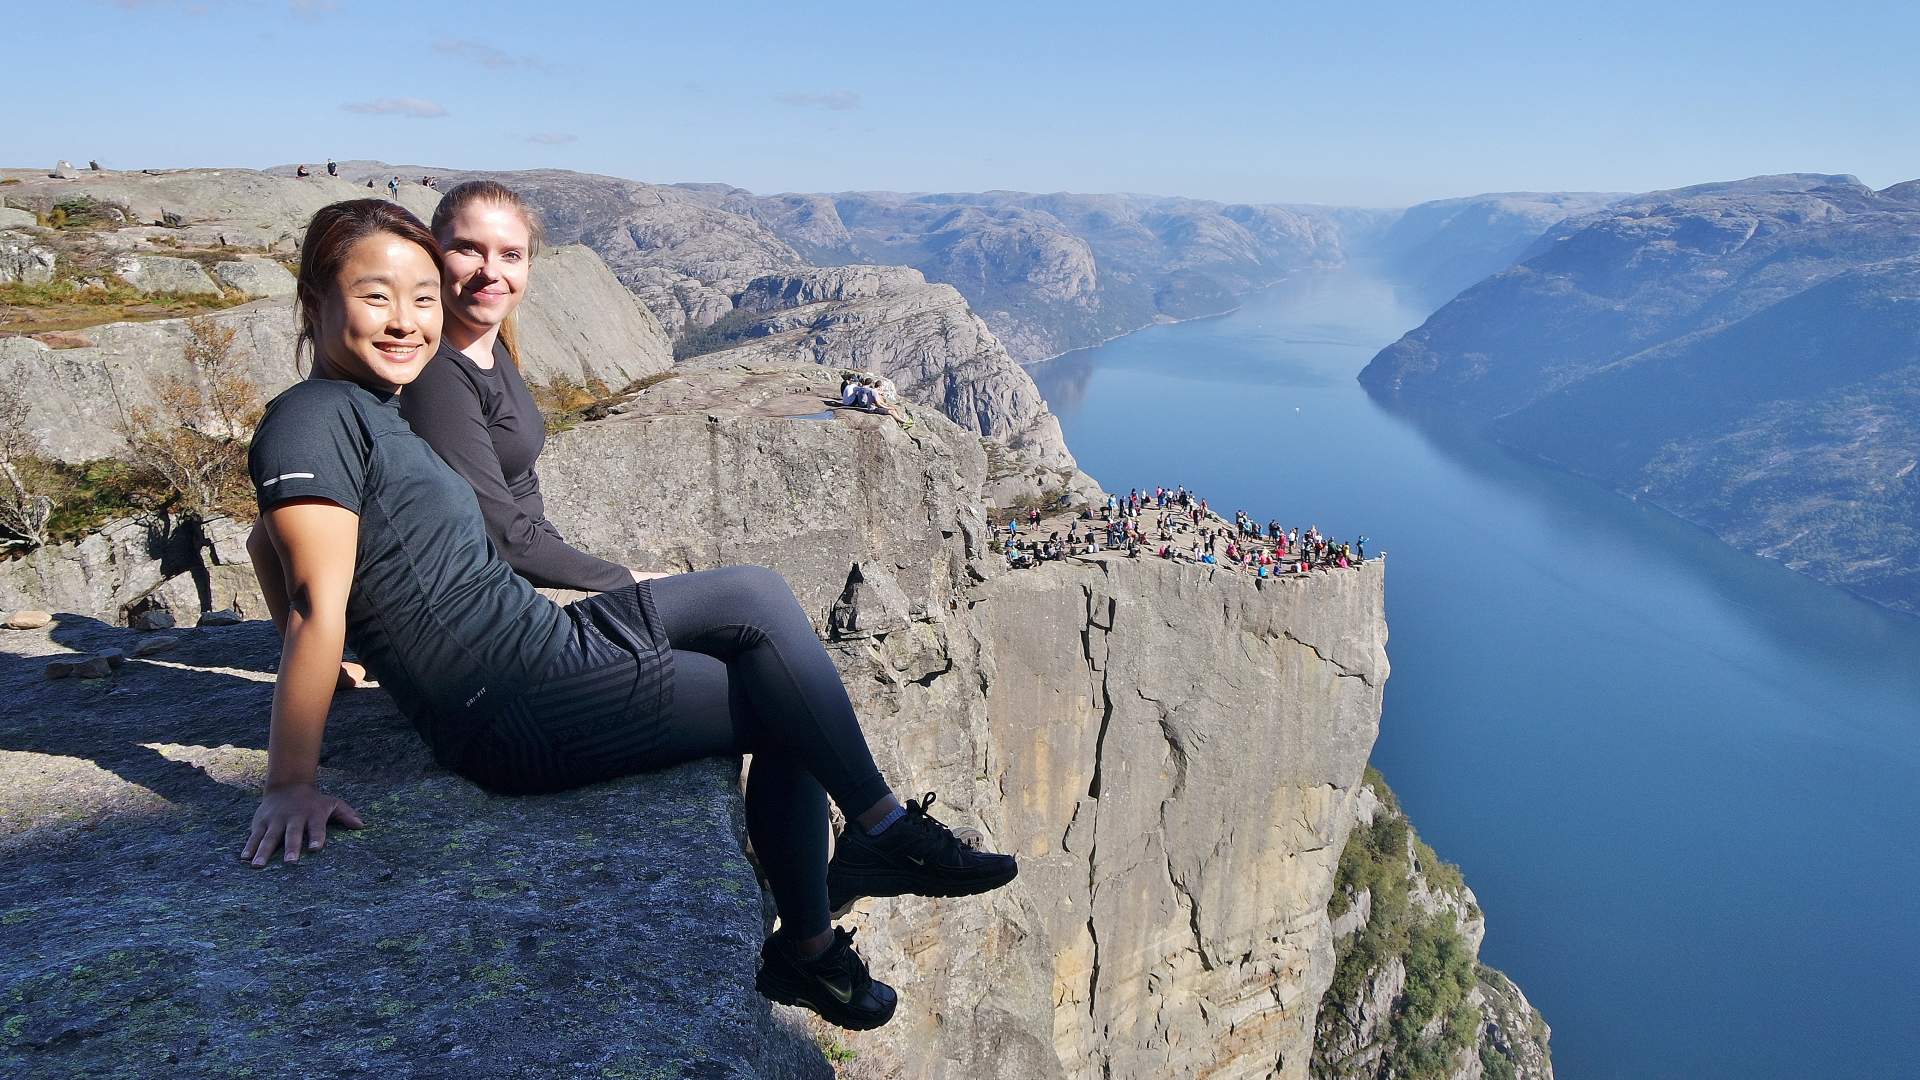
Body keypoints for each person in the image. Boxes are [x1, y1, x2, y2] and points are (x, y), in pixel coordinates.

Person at [238, 199, 1017, 1033]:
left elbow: (264, 544)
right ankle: (870, 852)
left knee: (773, 667)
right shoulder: (311, 417)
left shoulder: (364, 410)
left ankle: (820, 932)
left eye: (423, 298)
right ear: (315, 301)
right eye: (375, 296)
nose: (406, 321)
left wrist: (350, 662)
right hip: (513, 700)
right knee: (762, 622)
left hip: (534, 656)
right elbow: (317, 595)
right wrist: (290, 781)